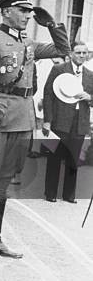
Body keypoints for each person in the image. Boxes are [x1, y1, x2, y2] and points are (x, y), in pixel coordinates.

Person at [0, 0, 70, 260]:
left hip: (22, 116)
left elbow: (63, 50)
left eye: (29, 11)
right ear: (6, 11)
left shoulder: (29, 44)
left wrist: (51, 24)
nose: (27, 15)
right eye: (23, 11)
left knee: (5, 179)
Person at [42, 41, 92, 203]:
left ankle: (69, 194)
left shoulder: (90, 74)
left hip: (80, 121)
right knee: (55, 156)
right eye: (78, 52)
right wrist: (47, 120)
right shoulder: (59, 70)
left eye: (84, 53)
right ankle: (50, 193)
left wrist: (89, 97)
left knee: (73, 158)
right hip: (60, 120)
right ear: (71, 54)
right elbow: (48, 95)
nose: (82, 56)